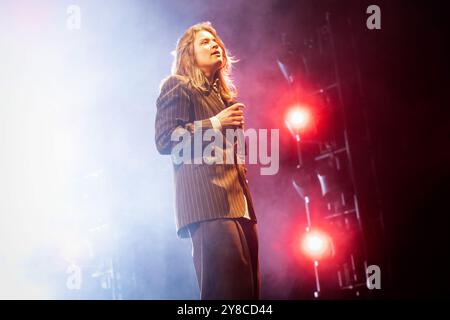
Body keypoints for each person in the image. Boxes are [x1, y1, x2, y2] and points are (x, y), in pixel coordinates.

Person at [154, 21, 260, 300]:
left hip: (239, 205)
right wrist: (214, 123)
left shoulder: (224, 98)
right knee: (224, 292)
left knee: (247, 295)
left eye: (216, 42)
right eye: (205, 42)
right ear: (188, 55)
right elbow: (166, 140)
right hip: (208, 203)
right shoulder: (177, 86)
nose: (215, 45)